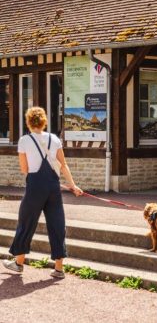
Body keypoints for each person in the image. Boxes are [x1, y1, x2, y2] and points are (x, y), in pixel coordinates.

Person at [2, 106, 82, 278]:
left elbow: (25, 169)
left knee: (26, 223)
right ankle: (59, 269)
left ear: (28, 122)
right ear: (44, 121)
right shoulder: (54, 139)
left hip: (35, 188)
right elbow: (63, 165)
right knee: (57, 224)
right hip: (53, 187)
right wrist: (73, 186)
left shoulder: (24, 140)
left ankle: (18, 263)